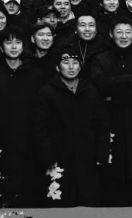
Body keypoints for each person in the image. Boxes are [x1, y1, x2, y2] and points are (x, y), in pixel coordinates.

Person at [91, 18, 132, 206]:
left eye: (128, 32)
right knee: (112, 175)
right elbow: (99, 86)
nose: (124, 36)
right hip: (110, 122)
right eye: (119, 32)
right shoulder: (100, 59)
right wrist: (131, 80)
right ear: (111, 34)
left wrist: (115, 96)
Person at [0, 26, 44, 207]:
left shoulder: (35, 74)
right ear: (1, 47)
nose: (14, 47)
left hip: (28, 142)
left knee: (27, 191)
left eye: (18, 42)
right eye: (9, 42)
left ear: (24, 46)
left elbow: (41, 112)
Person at [34, 47, 109, 206]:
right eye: (66, 62)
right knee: (61, 203)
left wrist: (101, 152)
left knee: (88, 202)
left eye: (75, 63)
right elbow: (40, 128)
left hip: (87, 156)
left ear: (80, 67)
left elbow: (101, 124)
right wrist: (47, 156)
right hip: (59, 156)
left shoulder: (90, 90)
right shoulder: (47, 92)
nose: (71, 67)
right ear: (57, 67)